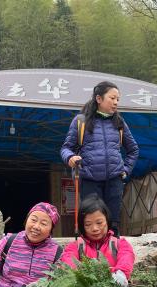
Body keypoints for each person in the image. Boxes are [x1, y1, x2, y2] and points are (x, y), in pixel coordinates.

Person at [60, 81, 139, 236]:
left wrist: (125, 170)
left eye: (118, 99)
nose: (116, 102)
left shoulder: (119, 123)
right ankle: (90, 251)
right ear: (99, 98)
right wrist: (70, 157)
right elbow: (65, 148)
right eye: (112, 98)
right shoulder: (80, 121)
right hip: (89, 180)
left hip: (114, 181)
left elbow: (133, 150)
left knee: (112, 223)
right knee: (92, 222)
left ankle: (112, 249)